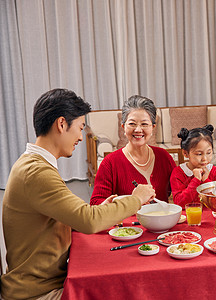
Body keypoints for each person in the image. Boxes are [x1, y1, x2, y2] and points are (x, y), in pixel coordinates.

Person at [1, 89, 155, 300]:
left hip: (42, 282)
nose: (81, 138)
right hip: (38, 292)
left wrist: (100, 210)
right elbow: (88, 221)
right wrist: (136, 198)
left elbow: (72, 215)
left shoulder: (33, 164)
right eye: (80, 128)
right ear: (62, 124)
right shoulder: (36, 172)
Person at [90, 95, 176, 205]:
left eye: (144, 124)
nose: (138, 130)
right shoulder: (109, 163)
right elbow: (95, 204)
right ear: (123, 127)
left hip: (162, 221)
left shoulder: (164, 157)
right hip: (127, 222)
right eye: (132, 124)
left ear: (153, 127)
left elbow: (181, 189)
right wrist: (130, 201)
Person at [170, 125, 216, 208]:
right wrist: (196, 180)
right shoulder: (178, 173)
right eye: (199, 154)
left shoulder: (214, 171)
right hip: (189, 217)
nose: (205, 158)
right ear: (185, 153)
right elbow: (179, 203)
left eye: (209, 153)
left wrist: (206, 180)